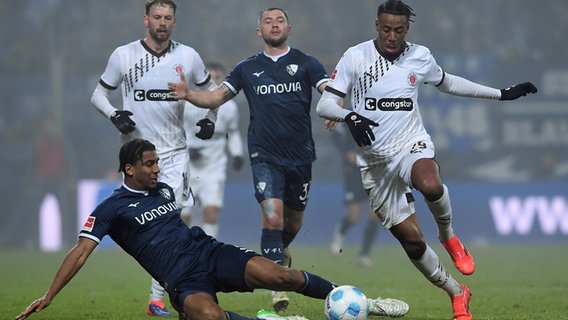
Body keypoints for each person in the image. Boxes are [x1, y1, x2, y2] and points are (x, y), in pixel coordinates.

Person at [14, 139, 410, 320]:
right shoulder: (110, 209)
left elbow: (175, 228)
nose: (156, 169)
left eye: (156, 163)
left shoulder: (165, 189)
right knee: (210, 317)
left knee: (281, 274)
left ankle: (369, 304)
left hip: (208, 252)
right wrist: (49, 295)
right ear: (129, 168)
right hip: (181, 279)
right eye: (149, 164)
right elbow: (80, 251)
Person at [315, 1, 537, 319]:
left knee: (430, 185)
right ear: (377, 25)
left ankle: (448, 237)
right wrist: (350, 115)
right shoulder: (355, 56)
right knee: (413, 243)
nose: (392, 36)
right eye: (387, 29)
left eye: (399, 30)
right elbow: (325, 105)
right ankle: (458, 293)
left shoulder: (419, 56)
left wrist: (500, 93)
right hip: (376, 164)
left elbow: (448, 82)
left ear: (407, 29)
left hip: (411, 144)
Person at [167, 7, 336, 312]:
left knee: (292, 223)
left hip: (300, 158)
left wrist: (334, 108)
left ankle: (280, 257)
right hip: (264, 155)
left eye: (280, 20)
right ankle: (276, 287)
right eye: (268, 21)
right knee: (272, 216)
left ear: (290, 28)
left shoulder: (307, 63)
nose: (274, 25)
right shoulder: (247, 68)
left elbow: (330, 91)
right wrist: (188, 93)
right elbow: (216, 97)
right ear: (259, 31)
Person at [90, 0, 219, 316]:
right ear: (145, 20)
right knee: (149, 227)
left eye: (168, 18)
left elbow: (214, 93)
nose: (162, 22)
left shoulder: (188, 56)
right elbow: (98, 94)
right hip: (136, 157)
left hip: (173, 155)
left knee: (173, 222)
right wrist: (114, 114)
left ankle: (160, 297)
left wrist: (210, 119)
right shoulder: (124, 55)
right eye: (157, 17)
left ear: (174, 22)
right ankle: (167, 292)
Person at [181, 62, 245, 238]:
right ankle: (183, 250)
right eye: (209, 79)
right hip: (187, 167)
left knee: (211, 212)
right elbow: (176, 132)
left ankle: (210, 252)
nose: (212, 83)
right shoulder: (188, 104)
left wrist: (237, 153)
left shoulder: (230, 108)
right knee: (184, 214)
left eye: (217, 79)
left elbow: (232, 132)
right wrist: (188, 149)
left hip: (214, 167)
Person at [329, 122, 380, 268]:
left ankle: (364, 254)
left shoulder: (378, 115)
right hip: (354, 172)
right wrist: (346, 151)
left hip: (374, 170)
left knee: (375, 214)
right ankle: (340, 234)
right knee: (354, 216)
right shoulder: (349, 117)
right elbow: (336, 133)